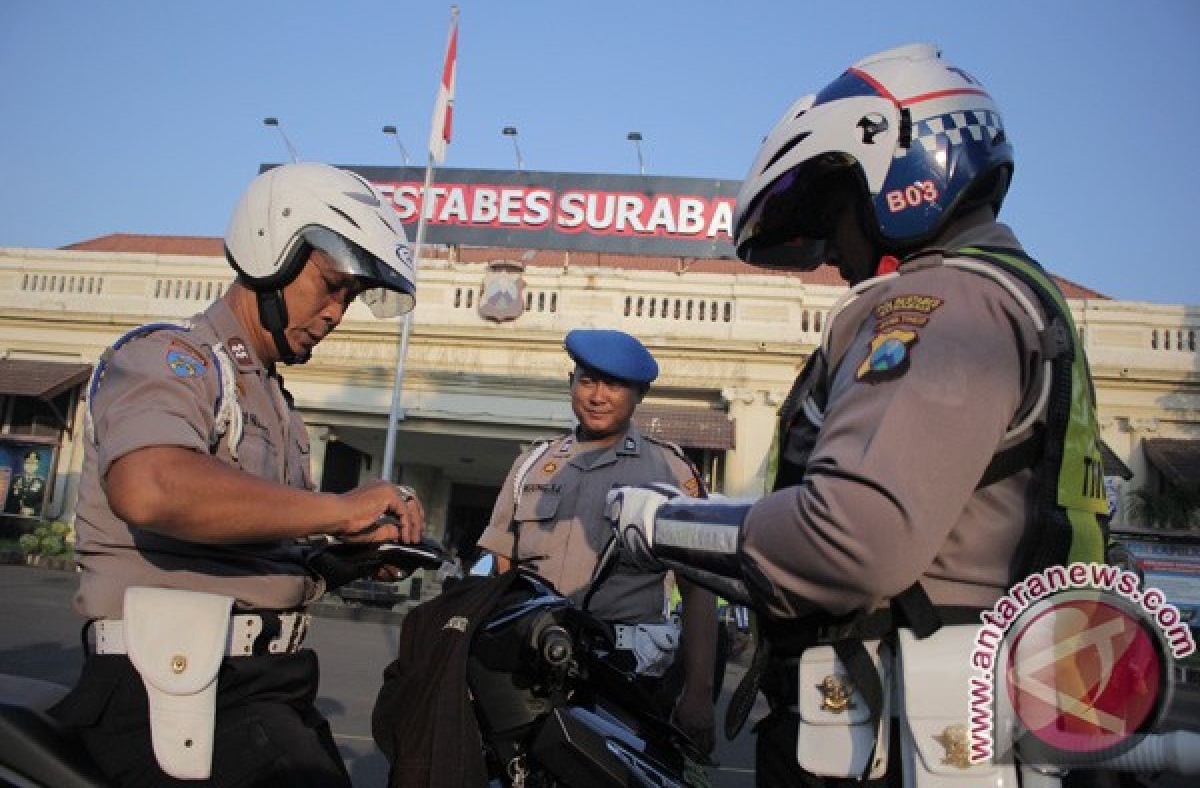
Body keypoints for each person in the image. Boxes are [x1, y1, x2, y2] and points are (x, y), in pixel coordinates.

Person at [607, 43, 1110, 786]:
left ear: (898, 171)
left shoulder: (941, 304)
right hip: (965, 719)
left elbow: (850, 539)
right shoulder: (1010, 297)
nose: (834, 254)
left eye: (835, 213)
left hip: (897, 737)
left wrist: (659, 524)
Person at [50, 162, 427, 788]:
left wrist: (347, 555)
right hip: (171, 685)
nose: (337, 312)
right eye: (331, 285)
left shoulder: (273, 402)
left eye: (351, 299)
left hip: (259, 686)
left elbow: (258, 547)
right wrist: (340, 507)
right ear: (270, 250)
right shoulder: (174, 358)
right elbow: (151, 486)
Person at [477, 328, 718, 753]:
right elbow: (502, 571)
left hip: (627, 673)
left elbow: (697, 592)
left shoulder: (671, 473)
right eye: (587, 380)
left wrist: (698, 694)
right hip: (533, 664)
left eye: (614, 384)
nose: (597, 396)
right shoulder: (532, 465)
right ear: (571, 382)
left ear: (639, 394)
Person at [8, 450, 46, 516]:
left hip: (30, 519)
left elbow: (43, 502)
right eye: (28, 463)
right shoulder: (15, 479)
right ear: (24, 465)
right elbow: (8, 498)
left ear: (37, 466)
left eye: (33, 464)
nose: (30, 466)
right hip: (12, 516)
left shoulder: (41, 482)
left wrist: (32, 510)